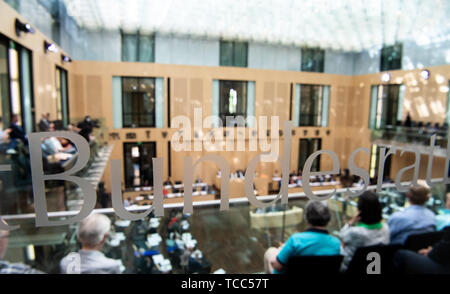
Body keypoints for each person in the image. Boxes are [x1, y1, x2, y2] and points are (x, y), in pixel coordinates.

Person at [264, 201, 341, 274]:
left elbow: (277, 266)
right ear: (329, 218)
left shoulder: (296, 240)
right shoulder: (336, 244)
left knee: (270, 252)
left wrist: (281, 251)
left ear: (306, 218)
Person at [339, 191, 390, 272]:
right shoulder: (386, 228)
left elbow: (341, 235)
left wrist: (351, 222)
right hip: (375, 270)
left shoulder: (355, 232)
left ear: (360, 211)